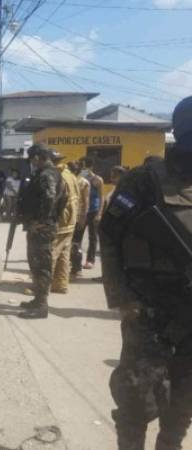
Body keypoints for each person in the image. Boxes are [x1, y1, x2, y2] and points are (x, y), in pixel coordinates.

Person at [100, 96, 192, 450]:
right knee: (137, 401)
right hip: (151, 314)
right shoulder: (144, 181)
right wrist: (123, 298)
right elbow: (109, 235)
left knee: (183, 401)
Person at [18, 145, 64, 319]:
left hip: (42, 228)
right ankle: (37, 299)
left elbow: (50, 198)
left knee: (42, 265)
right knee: (35, 264)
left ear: (38, 157)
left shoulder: (47, 175)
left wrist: (40, 222)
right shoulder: (46, 174)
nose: (32, 163)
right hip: (39, 227)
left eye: (32, 159)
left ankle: (42, 305)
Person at [50, 152, 79, 294]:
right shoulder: (71, 175)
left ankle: (43, 286)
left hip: (60, 220)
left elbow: (52, 201)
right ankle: (60, 284)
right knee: (64, 253)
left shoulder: (57, 176)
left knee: (51, 252)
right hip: (71, 220)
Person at [80, 157, 104, 270]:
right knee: (77, 235)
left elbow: (101, 196)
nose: (83, 168)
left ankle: (90, 260)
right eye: (82, 166)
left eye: (85, 166)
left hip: (93, 210)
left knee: (92, 236)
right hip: (81, 211)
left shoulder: (97, 180)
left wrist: (99, 213)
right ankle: (76, 259)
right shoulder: (80, 178)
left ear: (90, 167)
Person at [69, 161, 90, 278]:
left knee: (76, 243)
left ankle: (77, 268)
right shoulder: (68, 180)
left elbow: (86, 201)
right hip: (68, 217)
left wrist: (83, 217)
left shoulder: (84, 182)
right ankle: (71, 265)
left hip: (78, 217)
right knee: (69, 243)